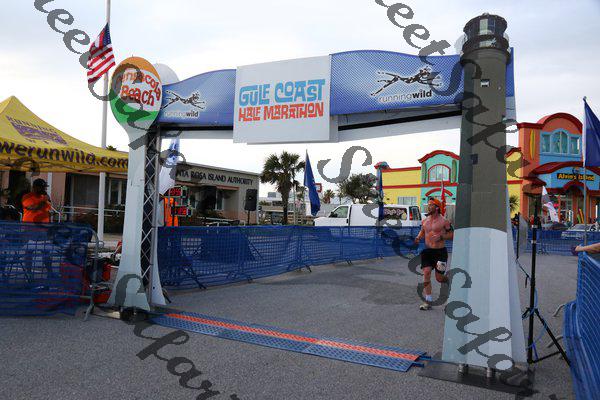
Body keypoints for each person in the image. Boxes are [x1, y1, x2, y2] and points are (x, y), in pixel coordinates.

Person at [414, 198, 454, 310]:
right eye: (428, 204)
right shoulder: (425, 221)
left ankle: (449, 281)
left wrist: (441, 237)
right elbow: (423, 231)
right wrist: (418, 237)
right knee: (426, 273)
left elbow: (452, 235)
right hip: (427, 251)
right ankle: (428, 301)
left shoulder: (444, 221)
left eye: (431, 205)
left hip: (440, 253)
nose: (429, 206)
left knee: (439, 278)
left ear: (437, 207)